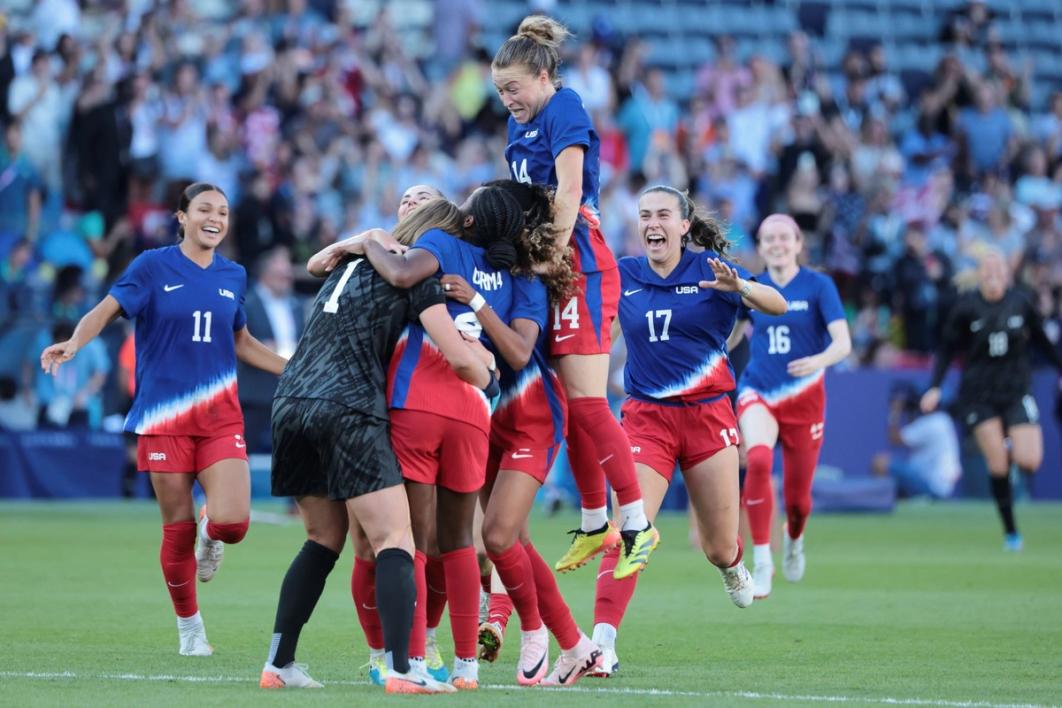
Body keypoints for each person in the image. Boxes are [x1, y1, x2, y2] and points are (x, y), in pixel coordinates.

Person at [40, 182, 286, 656]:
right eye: (204, 210)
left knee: (233, 523)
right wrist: (75, 342)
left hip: (219, 417)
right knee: (176, 529)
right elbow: (107, 311)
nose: (215, 218)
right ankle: (190, 629)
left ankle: (211, 534)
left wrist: (294, 369)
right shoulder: (152, 266)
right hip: (163, 418)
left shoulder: (233, 274)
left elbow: (243, 343)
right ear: (182, 217)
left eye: (223, 212)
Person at [261, 200, 498, 693]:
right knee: (396, 539)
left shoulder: (351, 261)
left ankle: (278, 665)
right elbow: (460, 362)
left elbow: (314, 264)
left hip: (290, 400)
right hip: (348, 404)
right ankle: (402, 670)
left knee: (322, 539)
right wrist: (490, 374)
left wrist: (361, 238)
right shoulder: (415, 279)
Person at [331, 185, 524, 690]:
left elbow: (397, 274)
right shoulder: (505, 271)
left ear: (466, 219)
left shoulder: (437, 243)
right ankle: (466, 668)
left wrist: (368, 238)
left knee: (405, 543)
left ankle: (408, 660)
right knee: (460, 543)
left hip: (415, 400)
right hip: (474, 409)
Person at [589, 186, 787, 677]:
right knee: (629, 530)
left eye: (661, 215)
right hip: (645, 418)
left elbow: (777, 304)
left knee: (719, 545)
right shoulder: (626, 273)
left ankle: (732, 564)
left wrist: (739, 287)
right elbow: (601, 336)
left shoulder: (712, 271)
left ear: (682, 225)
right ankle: (603, 644)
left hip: (707, 416)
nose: (652, 223)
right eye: (644, 215)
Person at [492, 15, 656, 578]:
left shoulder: (565, 106)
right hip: (551, 265)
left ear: (541, 75)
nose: (506, 99)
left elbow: (568, 189)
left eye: (512, 87)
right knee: (570, 401)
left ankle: (635, 522)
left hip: (579, 260)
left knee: (587, 401)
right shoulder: (523, 122)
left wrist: (547, 256)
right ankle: (592, 524)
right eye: (499, 91)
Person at [444, 180, 601, 686]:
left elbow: (517, 352)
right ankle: (575, 645)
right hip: (485, 418)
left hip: (533, 415)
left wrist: (476, 304)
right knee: (514, 539)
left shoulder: (525, 277)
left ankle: (535, 632)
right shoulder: (464, 258)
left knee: (495, 534)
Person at [309, 183, 453, 685]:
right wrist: (363, 239)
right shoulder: (370, 254)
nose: (411, 201)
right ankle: (381, 653)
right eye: (406, 197)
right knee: (370, 545)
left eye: (424, 196)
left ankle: (423, 639)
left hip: (419, 409)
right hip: (367, 409)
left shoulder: (433, 261)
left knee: (427, 541)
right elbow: (314, 265)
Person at [734, 213, 851, 600]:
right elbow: (731, 336)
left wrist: (818, 361)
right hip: (759, 391)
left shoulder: (819, 286)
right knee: (760, 462)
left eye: (785, 237)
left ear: (799, 243)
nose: (777, 244)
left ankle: (794, 538)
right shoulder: (753, 286)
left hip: (804, 398)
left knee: (799, 501)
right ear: (761, 245)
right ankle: (762, 560)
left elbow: (842, 342)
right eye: (769, 238)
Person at [921, 250, 1062, 551]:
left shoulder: (1020, 302)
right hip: (978, 395)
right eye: (988, 268)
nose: (994, 272)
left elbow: (1041, 341)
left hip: (1015, 391)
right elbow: (946, 350)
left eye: (999, 267)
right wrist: (934, 386)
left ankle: (1010, 445)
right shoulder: (966, 307)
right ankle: (1011, 532)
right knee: (997, 465)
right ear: (981, 274)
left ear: (1007, 274)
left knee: (1030, 460)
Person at [872, 383, 961, 500]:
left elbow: (895, 439)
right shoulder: (943, 420)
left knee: (880, 462)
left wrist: (895, 412)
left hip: (932, 485)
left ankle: (879, 501)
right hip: (935, 483)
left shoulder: (933, 422)